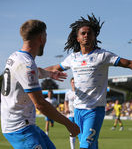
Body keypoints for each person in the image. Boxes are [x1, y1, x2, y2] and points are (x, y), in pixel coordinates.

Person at [45, 14, 132, 149]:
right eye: (83, 33)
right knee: (91, 145)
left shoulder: (103, 55)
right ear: (77, 38)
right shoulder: (72, 58)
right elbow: (53, 68)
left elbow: (130, 63)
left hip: (94, 110)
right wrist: (33, 72)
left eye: (89, 33)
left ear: (94, 37)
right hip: (78, 110)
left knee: (85, 146)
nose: (86, 35)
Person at [0, 19, 80, 149]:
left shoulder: (16, 56)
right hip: (19, 127)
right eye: (46, 36)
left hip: (26, 124)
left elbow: (30, 72)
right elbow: (40, 104)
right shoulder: (26, 64)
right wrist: (68, 124)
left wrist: (50, 74)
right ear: (41, 38)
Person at [64, 77, 77, 149]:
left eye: (75, 82)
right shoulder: (68, 93)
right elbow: (66, 101)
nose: (73, 83)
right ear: (70, 83)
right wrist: (66, 108)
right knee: (72, 132)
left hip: (78, 114)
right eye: (72, 82)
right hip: (71, 115)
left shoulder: (79, 92)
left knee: (81, 132)